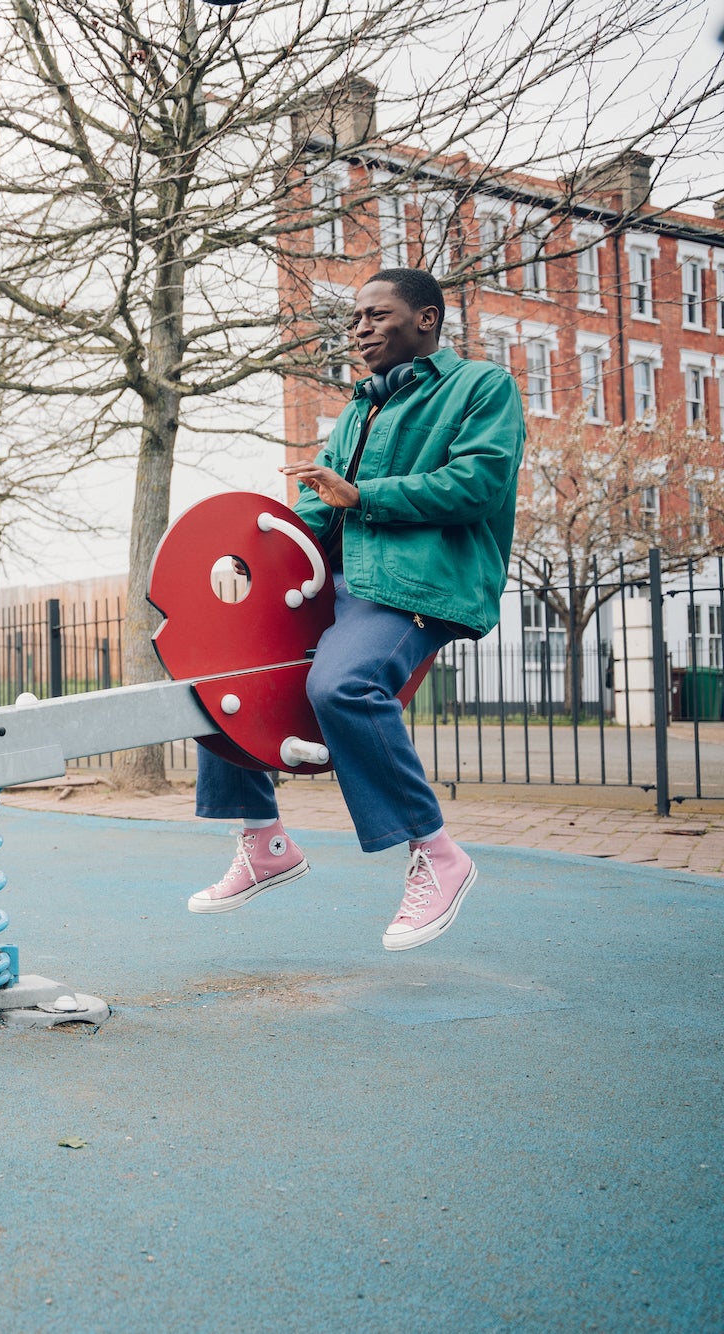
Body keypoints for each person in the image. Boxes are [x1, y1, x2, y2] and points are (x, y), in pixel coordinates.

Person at [187, 267, 525, 950]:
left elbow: (481, 483)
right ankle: (262, 839)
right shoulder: (358, 410)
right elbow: (316, 507)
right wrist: (249, 561)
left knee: (342, 684)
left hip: (418, 583)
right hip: (339, 582)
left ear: (426, 319)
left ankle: (436, 851)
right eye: (354, 320)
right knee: (222, 670)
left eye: (376, 315)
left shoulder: (481, 387)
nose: (360, 329)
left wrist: (364, 498)